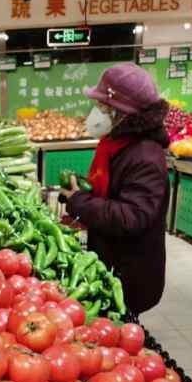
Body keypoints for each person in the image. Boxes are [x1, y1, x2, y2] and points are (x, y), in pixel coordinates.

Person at [60, 63, 169, 316]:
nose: (95, 113)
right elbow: (113, 196)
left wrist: (79, 201)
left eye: (102, 107)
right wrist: (84, 210)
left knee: (122, 327)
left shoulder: (145, 156)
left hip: (130, 274)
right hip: (113, 260)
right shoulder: (118, 145)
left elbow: (130, 217)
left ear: (121, 113)